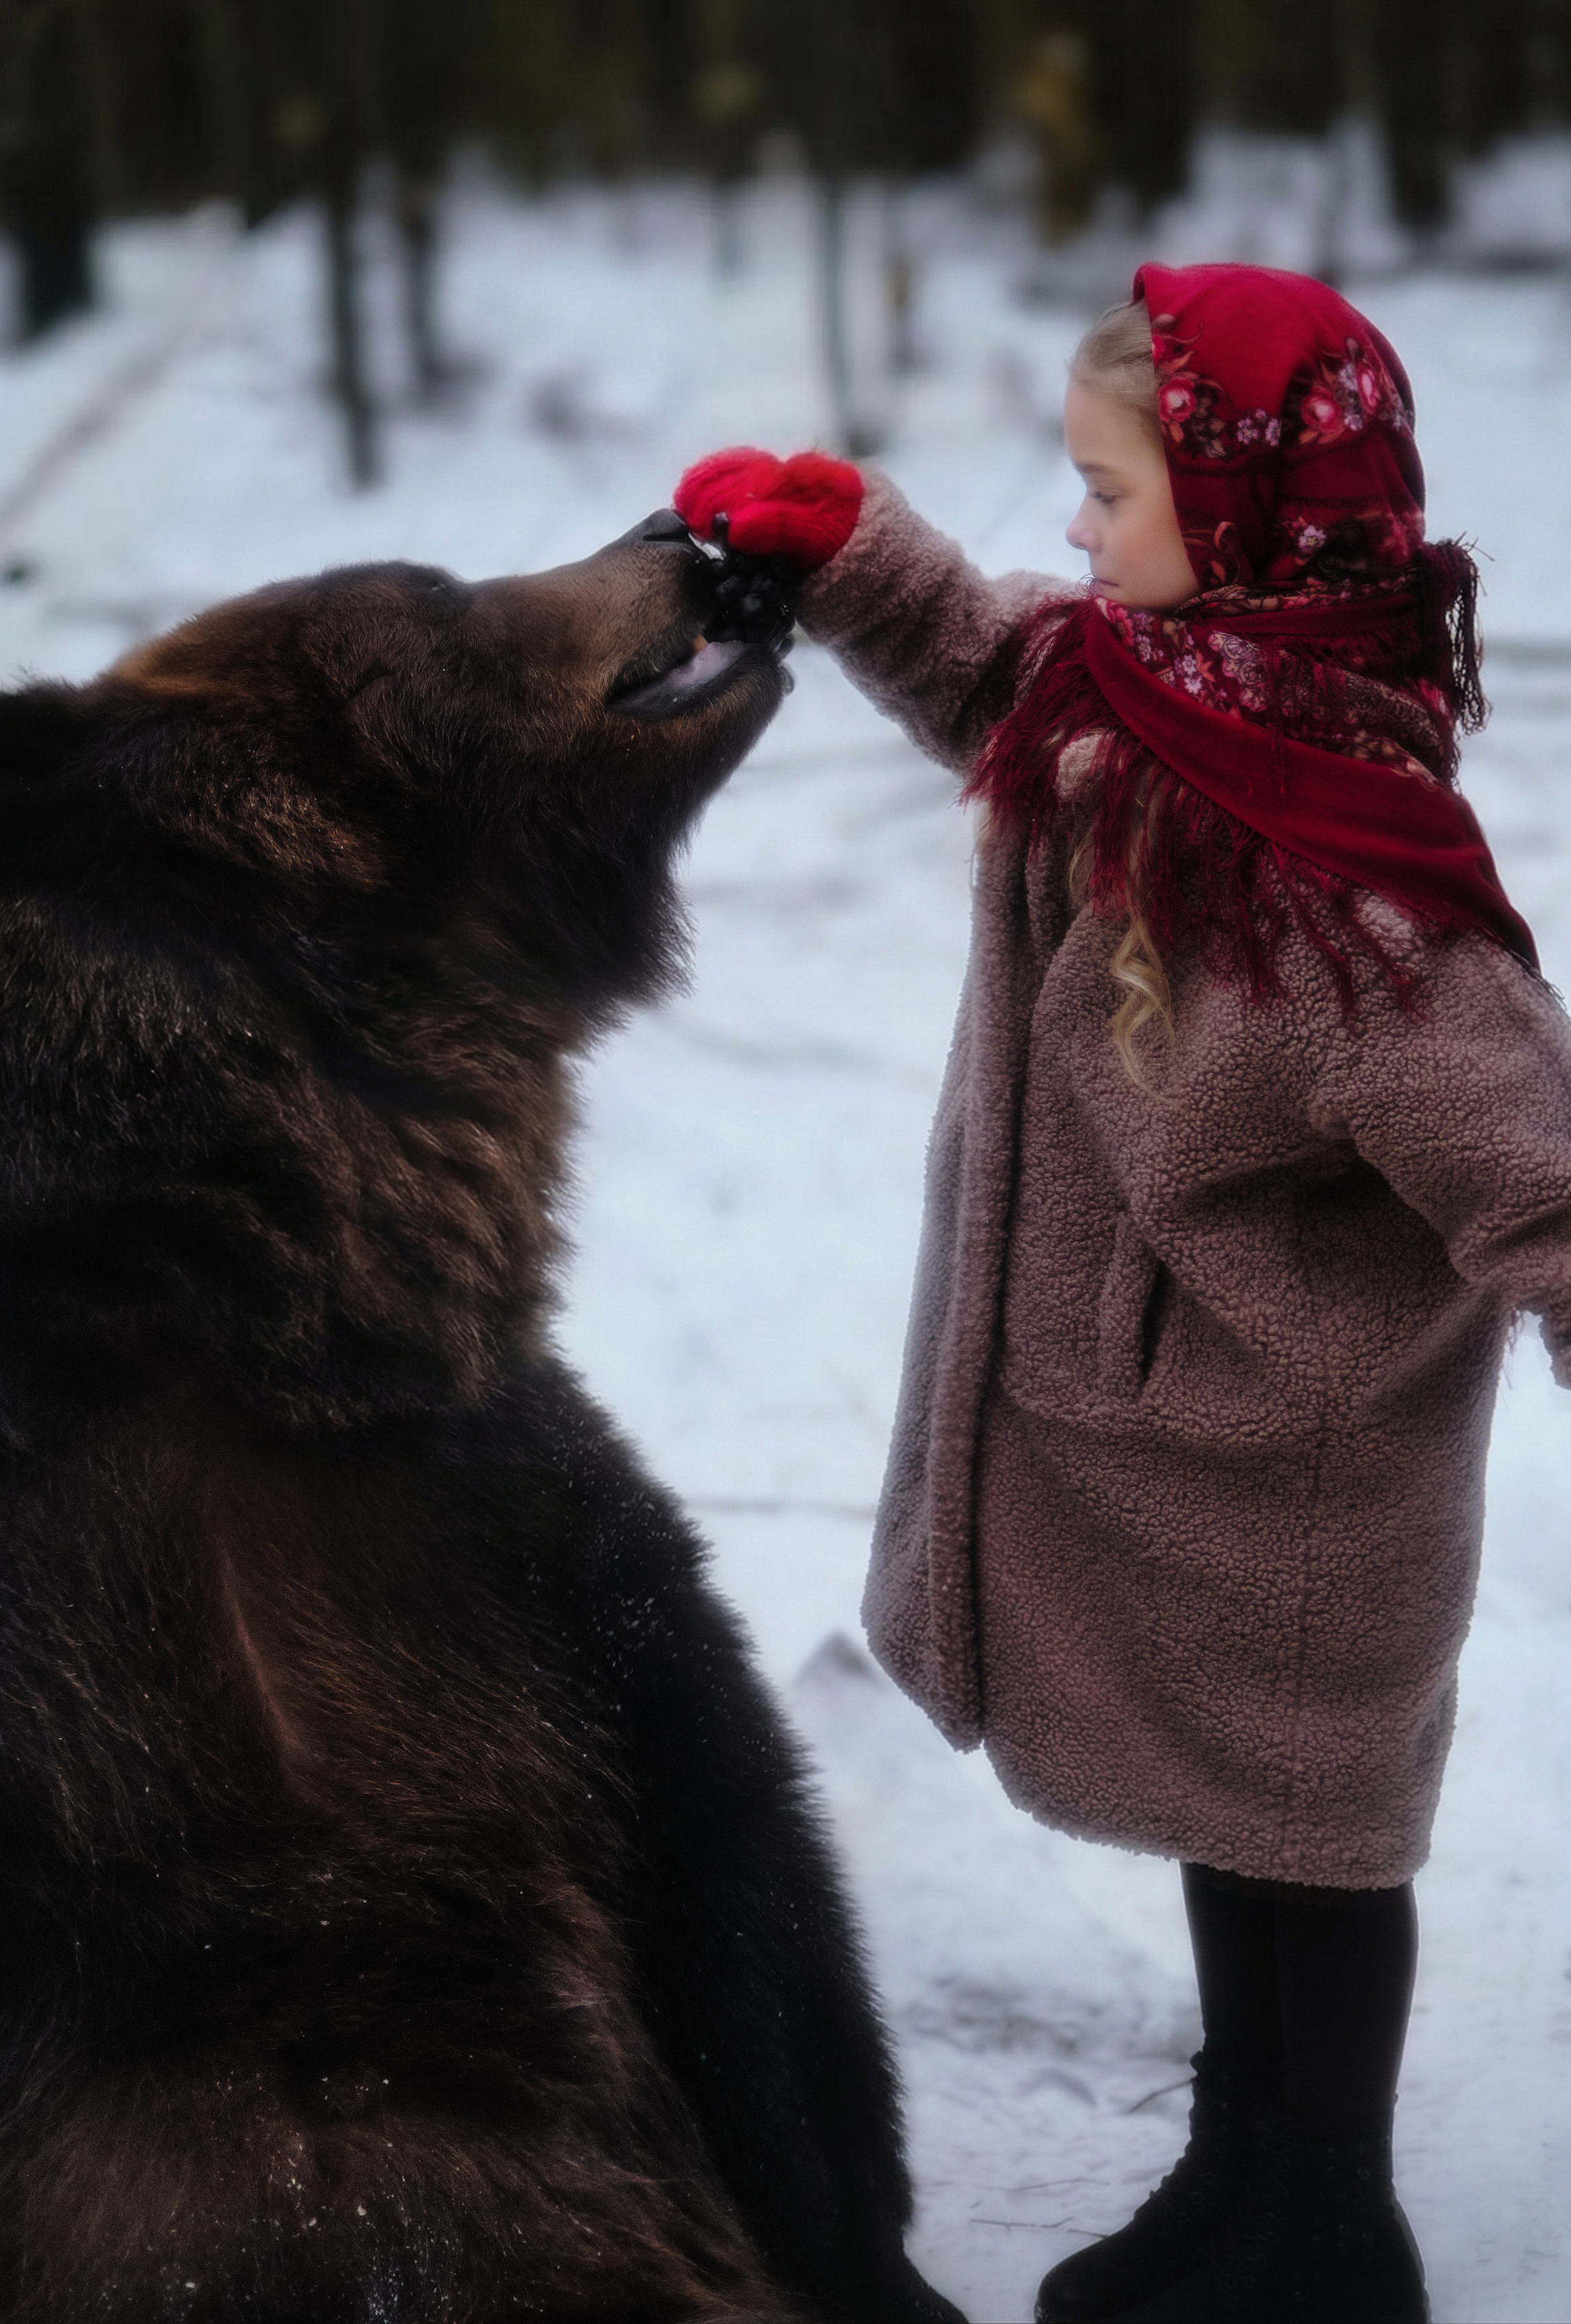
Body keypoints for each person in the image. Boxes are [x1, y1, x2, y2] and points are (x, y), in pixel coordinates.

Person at [671, 263, 1571, 2324]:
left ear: (1241, 523)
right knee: (1228, 1836)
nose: (1072, 537)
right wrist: (846, 545)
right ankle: (1241, 2162)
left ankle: (1331, 2221)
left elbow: (1542, 1168)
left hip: (1306, 1483)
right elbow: (989, 659)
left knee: (1316, 1852)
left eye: (1105, 496)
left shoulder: (1356, 883)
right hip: (1178, 1465)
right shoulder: (1145, 696)